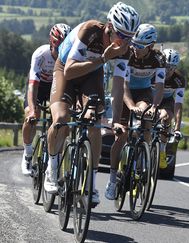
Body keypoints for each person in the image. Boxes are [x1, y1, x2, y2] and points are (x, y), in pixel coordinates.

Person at [44, 2, 140, 206]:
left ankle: (91, 185)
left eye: (130, 38)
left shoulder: (124, 49)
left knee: (95, 122)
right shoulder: (90, 31)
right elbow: (69, 71)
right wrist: (104, 58)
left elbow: (118, 86)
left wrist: (114, 121)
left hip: (91, 73)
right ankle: (51, 170)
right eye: (122, 36)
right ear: (109, 27)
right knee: (61, 118)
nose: (125, 42)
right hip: (66, 70)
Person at [105, 23, 165, 200]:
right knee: (121, 135)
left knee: (146, 116)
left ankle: (143, 158)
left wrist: (154, 106)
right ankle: (112, 180)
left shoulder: (159, 59)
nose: (135, 48)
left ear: (151, 46)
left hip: (144, 92)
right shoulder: (127, 53)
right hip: (124, 92)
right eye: (134, 43)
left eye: (140, 46)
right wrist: (130, 106)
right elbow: (123, 85)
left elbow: (160, 87)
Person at [21, 23, 71, 176]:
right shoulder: (40, 54)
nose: (59, 54)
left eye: (63, 50)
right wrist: (32, 108)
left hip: (56, 86)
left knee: (61, 123)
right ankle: (28, 154)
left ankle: (53, 161)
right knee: (32, 115)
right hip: (39, 86)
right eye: (57, 49)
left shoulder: (69, 57)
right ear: (51, 43)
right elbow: (32, 86)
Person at [157, 48, 186, 167]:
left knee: (167, 118)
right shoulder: (154, 72)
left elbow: (178, 104)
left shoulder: (179, 80)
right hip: (150, 97)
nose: (168, 71)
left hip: (167, 101)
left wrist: (177, 127)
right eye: (166, 66)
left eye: (172, 68)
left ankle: (162, 151)